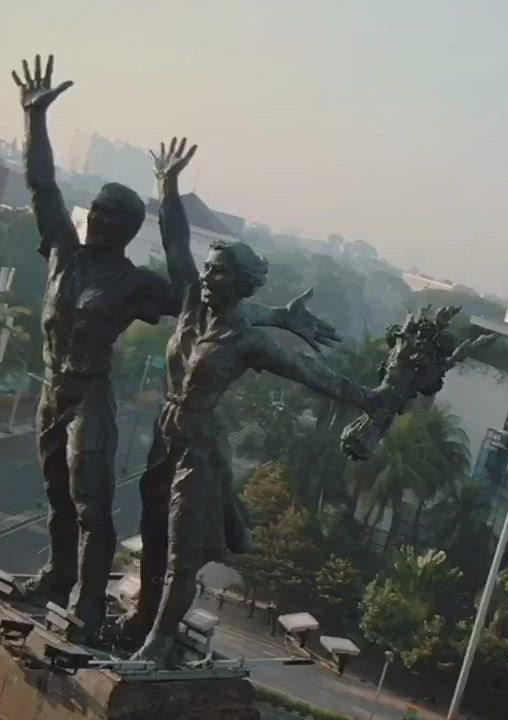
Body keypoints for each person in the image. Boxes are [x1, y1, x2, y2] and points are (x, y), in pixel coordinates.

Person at [12, 56, 338, 641]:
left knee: (90, 507)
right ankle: (58, 578)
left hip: (89, 398)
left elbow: (204, 304)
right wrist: (35, 118)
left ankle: (88, 607)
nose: (98, 219)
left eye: (112, 216)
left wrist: (276, 317)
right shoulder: (63, 251)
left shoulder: (135, 282)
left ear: (127, 228)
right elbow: (42, 184)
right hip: (50, 390)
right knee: (57, 496)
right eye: (97, 210)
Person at [122, 144, 384, 665]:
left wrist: (373, 401)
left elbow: (315, 375)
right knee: (152, 534)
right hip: (165, 440)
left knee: (182, 554)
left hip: (199, 452)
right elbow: (175, 241)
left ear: (240, 285)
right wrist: (168, 185)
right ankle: (145, 620)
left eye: (219, 272)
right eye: (209, 269)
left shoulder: (248, 340)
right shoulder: (193, 305)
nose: (208, 277)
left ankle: (158, 644)